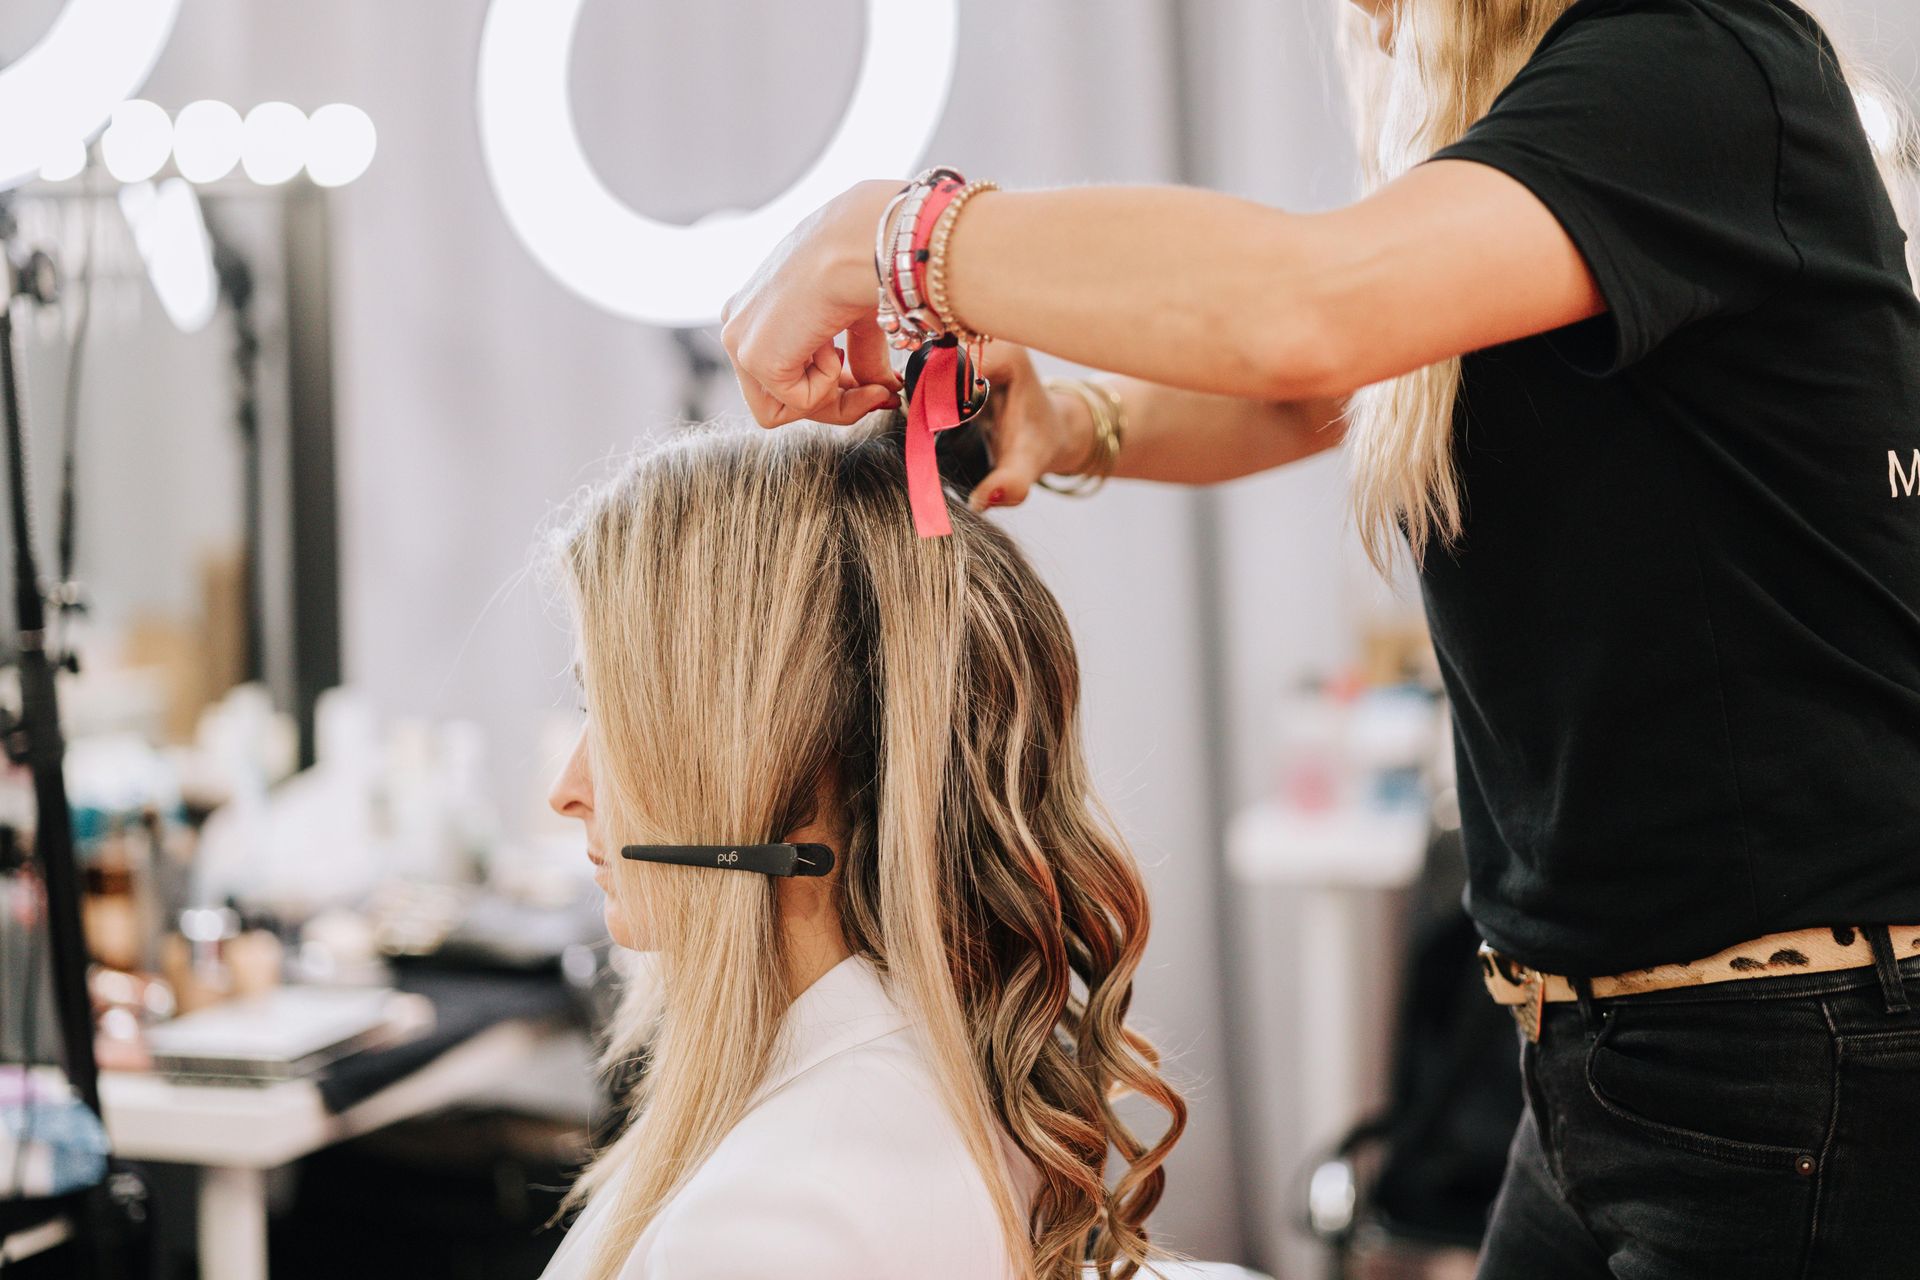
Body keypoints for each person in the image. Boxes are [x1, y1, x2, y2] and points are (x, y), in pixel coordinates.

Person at [719, 0, 1920, 1275]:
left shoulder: (1688, 56)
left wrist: (895, 236)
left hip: (1798, 1055)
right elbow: (1315, 390)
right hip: (1607, 1060)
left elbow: (1307, 310)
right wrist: (1070, 425)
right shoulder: (1584, 120)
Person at [536, 416, 1184, 1280]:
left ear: (757, 764)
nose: (568, 789)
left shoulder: (769, 1226)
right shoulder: (941, 1050)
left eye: (612, 718)